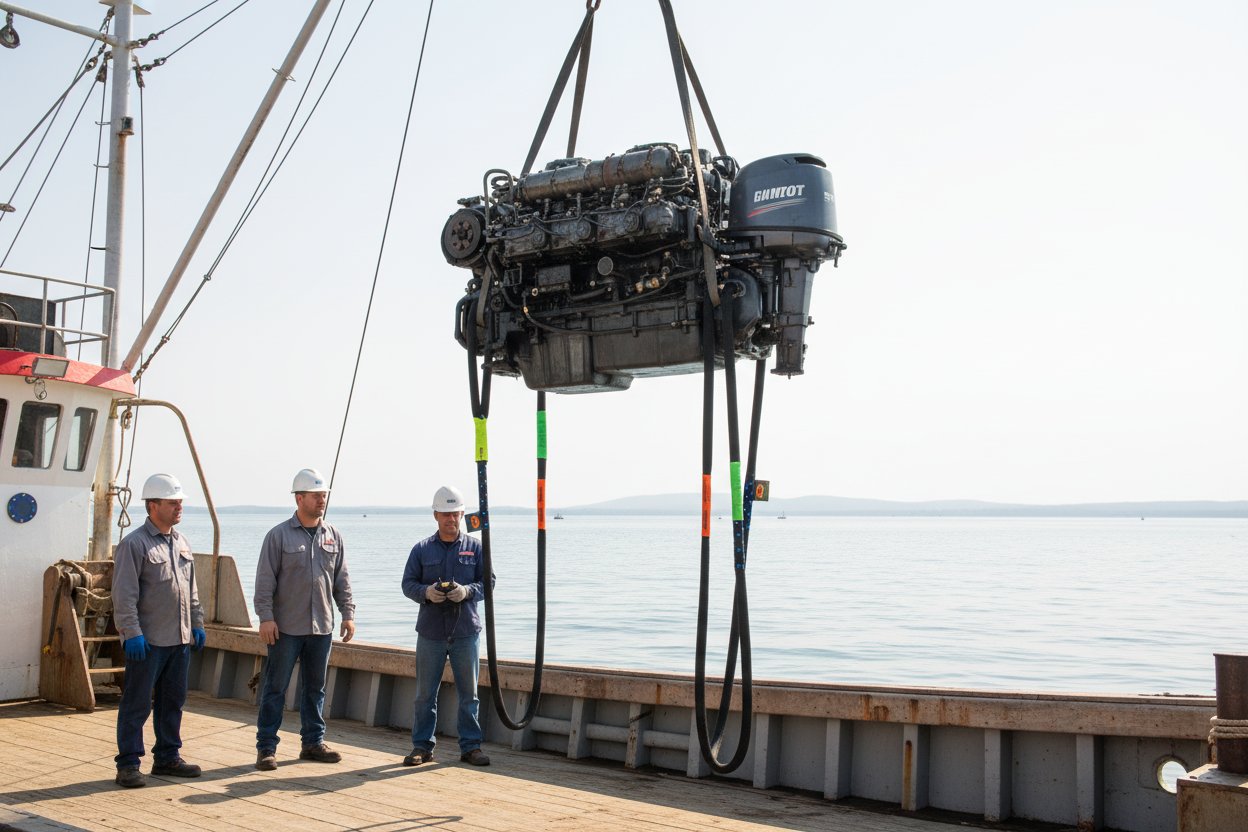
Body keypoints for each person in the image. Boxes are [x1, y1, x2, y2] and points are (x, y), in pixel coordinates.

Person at [253, 467, 355, 771]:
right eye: (316, 495)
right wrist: (265, 618)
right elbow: (264, 581)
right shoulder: (278, 536)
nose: (321, 500)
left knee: (316, 688)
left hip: (321, 627)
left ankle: (313, 742)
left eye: (324, 495)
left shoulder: (333, 535)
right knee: (275, 687)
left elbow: (342, 579)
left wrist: (347, 614)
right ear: (299, 498)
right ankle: (266, 748)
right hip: (285, 628)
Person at [111, 473, 207, 789]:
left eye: (180, 502)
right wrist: (131, 632)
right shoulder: (133, 544)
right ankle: (128, 765)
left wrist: (197, 623)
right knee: (137, 704)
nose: (179, 507)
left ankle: (167, 758)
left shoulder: (181, 542)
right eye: (172, 502)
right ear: (153, 506)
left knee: (172, 703)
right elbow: (124, 594)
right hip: (148, 642)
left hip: (178, 640)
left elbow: (190, 590)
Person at [401, 485, 493, 766]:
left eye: (455, 514)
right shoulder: (421, 549)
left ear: (462, 514)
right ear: (436, 515)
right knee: (424, 695)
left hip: (466, 631)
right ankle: (422, 747)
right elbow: (408, 584)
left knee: (470, 694)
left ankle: (471, 747)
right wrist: (426, 593)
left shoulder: (476, 548)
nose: (450, 520)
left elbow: (488, 583)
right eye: (445, 515)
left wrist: (466, 592)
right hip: (431, 632)